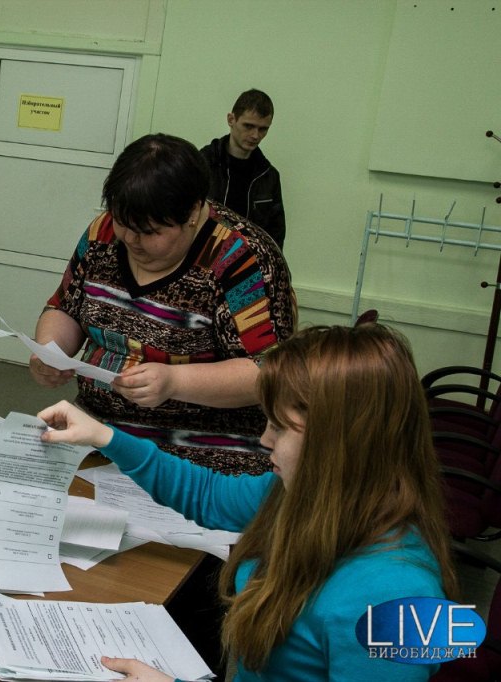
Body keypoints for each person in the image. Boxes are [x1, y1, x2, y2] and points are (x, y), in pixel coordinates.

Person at [38, 324, 459, 681]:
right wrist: (103, 436)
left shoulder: (396, 598)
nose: (264, 440)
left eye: (280, 427)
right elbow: (205, 494)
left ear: (338, 444)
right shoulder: (304, 498)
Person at [30, 133, 295, 476]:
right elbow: (65, 307)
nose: (131, 240)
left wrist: (174, 382)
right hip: (99, 435)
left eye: (151, 232)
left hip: (201, 456)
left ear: (194, 213)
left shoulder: (242, 259)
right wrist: (50, 352)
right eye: (124, 223)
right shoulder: (104, 233)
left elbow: (271, 371)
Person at [199, 89, 286, 249]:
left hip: (246, 265)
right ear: (231, 119)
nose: (255, 135)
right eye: (249, 126)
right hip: (197, 259)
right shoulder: (200, 164)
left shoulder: (269, 176)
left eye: (263, 129)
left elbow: (275, 237)